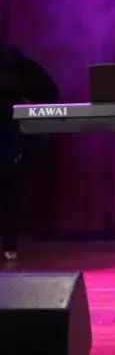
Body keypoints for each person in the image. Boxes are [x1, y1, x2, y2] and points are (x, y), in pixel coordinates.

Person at [0, 44, 59, 262]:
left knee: (13, 191)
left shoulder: (18, 64)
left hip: (13, 138)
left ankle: (10, 243)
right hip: (13, 139)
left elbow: (49, 92)